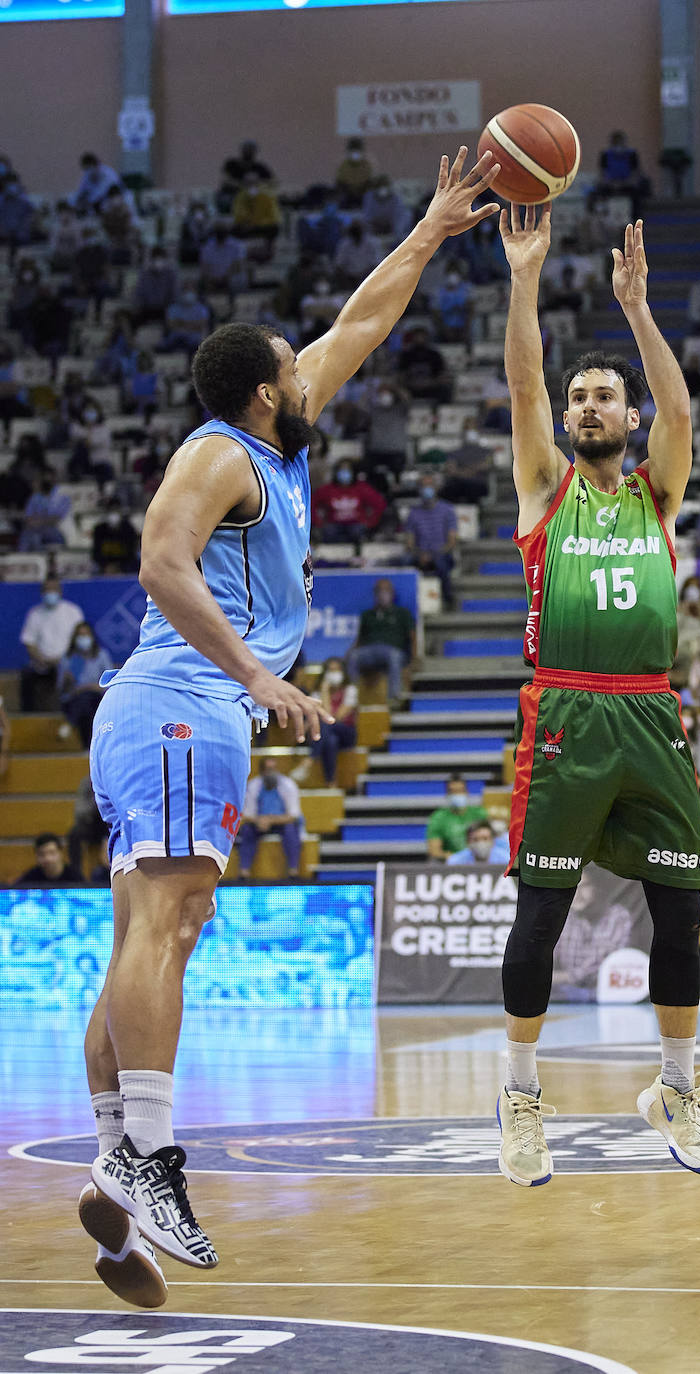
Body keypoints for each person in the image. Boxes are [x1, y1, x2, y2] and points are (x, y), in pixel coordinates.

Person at [78, 146, 501, 1308]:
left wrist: (430, 228)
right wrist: (257, 676)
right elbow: (161, 563)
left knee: (153, 934)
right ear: (270, 391)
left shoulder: (268, 436)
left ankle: (116, 1172)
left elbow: (362, 321)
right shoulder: (218, 453)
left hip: (178, 712)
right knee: (165, 925)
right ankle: (148, 1157)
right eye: (293, 368)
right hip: (180, 703)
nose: (313, 373)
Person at [494, 206, 700, 1186]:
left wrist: (636, 310)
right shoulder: (545, 487)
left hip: (651, 712)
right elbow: (522, 383)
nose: (588, 407)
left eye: (605, 399)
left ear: (629, 420)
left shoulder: (655, 494)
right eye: (579, 398)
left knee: (681, 912)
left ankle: (675, 1089)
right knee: (540, 918)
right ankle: (519, 1097)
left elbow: (682, 415)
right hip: (566, 714)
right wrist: (525, 279)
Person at [19, 577, 84, 713]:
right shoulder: (35, 614)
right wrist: (42, 659)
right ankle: (28, 716)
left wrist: (63, 659)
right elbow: (29, 642)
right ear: (42, 592)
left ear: (60, 591)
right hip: (42, 663)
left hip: (68, 660)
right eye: (47, 590)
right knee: (27, 674)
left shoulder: (73, 612)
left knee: (68, 672)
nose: (50, 593)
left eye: (53, 589)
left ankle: (67, 713)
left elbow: (80, 637)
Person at [347, 577, 416, 704]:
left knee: (394, 657)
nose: (383, 594)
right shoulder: (367, 614)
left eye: (386, 590)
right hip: (370, 651)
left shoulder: (402, 613)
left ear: (392, 593)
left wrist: (414, 659)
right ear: (375, 594)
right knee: (354, 656)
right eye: (379, 590)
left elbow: (412, 637)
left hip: (393, 650)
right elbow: (359, 638)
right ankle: (353, 697)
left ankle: (394, 698)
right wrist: (349, 653)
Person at [237, 759, 304, 879]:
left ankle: (293, 870)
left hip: (282, 822)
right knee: (247, 830)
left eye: (273, 769)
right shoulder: (253, 785)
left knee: (291, 830)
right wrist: (259, 821)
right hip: (259, 823)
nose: (271, 773)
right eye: (268, 770)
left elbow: (294, 815)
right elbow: (247, 814)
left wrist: (270, 820)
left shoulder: (288, 785)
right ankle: (244, 871)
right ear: (262, 771)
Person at [404, 477, 458, 607]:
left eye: (430, 485)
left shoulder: (447, 510)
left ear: (436, 488)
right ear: (419, 490)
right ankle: (407, 602)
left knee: (441, 563)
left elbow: (451, 542)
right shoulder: (413, 513)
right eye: (423, 486)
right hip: (420, 554)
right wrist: (420, 555)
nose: (427, 489)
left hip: (441, 553)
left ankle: (448, 598)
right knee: (404, 561)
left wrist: (433, 555)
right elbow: (409, 543)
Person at [57, 623, 112, 748]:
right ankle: (88, 747)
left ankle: (70, 723)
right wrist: (67, 681)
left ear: (92, 636)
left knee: (87, 699)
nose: (83, 638)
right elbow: (61, 690)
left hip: (97, 697)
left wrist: (88, 687)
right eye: (80, 635)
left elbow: (109, 683)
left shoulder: (101, 655)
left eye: (86, 635)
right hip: (74, 699)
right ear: (75, 638)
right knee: (85, 704)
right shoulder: (68, 658)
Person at [311, 460, 387, 549]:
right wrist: (318, 522)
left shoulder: (361, 488)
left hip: (356, 525)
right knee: (329, 531)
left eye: (347, 470)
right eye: (341, 470)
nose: (344, 473)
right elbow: (311, 504)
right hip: (333, 525)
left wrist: (370, 522)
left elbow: (379, 503)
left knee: (357, 532)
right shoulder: (327, 490)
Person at [309, 658, 358, 786]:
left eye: (337, 670)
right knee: (331, 741)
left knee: (327, 725)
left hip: (346, 733)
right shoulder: (317, 693)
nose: (334, 674)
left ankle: (311, 758)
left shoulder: (350, 690)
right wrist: (324, 691)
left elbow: (334, 717)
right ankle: (331, 782)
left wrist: (325, 693)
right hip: (327, 735)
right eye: (331, 671)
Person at [426, 775, 489, 860]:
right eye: (453, 791)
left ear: (467, 792)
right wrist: (456, 859)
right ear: (447, 794)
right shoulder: (438, 818)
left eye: (460, 791)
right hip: (450, 862)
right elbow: (434, 851)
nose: (457, 794)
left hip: (478, 860)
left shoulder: (479, 814)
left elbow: (491, 841)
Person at [14, 832, 86, 887]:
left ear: (60, 853)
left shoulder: (75, 878)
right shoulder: (30, 878)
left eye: (52, 853)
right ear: (36, 856)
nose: (48, 859)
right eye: (42, 854)